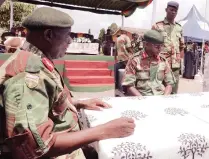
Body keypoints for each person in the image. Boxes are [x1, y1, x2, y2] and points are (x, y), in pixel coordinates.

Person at [0, 7, 135, 159]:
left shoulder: (36, 59)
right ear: (49, 35)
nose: (70, 41)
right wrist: (104, 131)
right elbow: (38, 146)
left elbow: (47, 102)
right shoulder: (28, 76)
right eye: (67, 35)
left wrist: (78, 103)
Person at [122, 30, 175, 96]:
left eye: (161, 46)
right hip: (141, 98)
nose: (160, 49)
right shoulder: (135, 60)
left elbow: (169, 83)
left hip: (161, 96)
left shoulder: (163, 60)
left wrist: (164, 98)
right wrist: (142, 100)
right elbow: (129, 85)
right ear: (146, 44)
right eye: (156, 46)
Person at [152, 1, 185, 94]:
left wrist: (180, 62)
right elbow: (151, 45)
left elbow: (182, 47)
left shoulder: (179, 28)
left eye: (175, 11)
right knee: (159, 90)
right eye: (171, 10)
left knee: (174, 92)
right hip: (160, 64)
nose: (173, 12)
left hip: (175, 65)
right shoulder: (157, 26)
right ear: (166, 10)